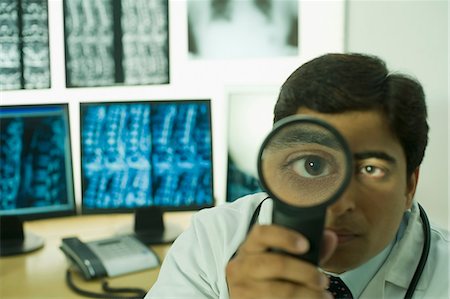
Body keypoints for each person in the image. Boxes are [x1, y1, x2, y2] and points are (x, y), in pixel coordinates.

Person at [145, 53, 449, 299]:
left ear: (410, 185)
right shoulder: (212, 240)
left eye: (371, 169)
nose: (339, 204)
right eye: (312, 166)